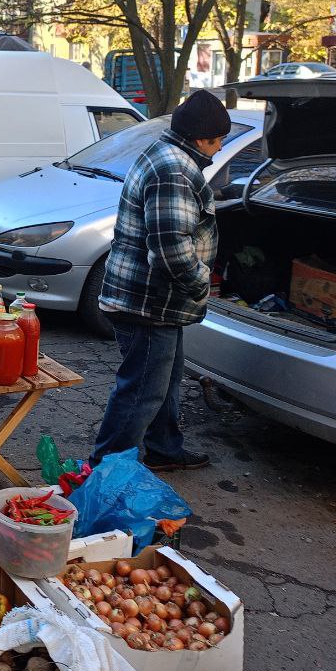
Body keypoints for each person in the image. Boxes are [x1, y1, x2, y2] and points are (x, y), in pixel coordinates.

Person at [89, 89, 232, 473]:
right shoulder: (174, 170)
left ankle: (165, 449)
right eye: (217, 140)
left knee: (165, 381)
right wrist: (202, 284)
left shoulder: (166, 154)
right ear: (199, 138)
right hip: (148, 302)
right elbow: (171, 252)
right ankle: (105, 470)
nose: (219, 148)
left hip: (154, 300)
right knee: (142, 390)